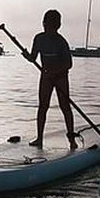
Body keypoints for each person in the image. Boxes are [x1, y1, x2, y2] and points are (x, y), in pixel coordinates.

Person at [23, 9, 77, 149]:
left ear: (58, 26)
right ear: (43, 24)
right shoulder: (39, 38)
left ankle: (72, 140)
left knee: (65, 107)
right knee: (43, 107)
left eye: (52, 26)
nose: (48, 28)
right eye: (46, 25)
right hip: (46, 77)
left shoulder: (61, 42)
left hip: (60, 77)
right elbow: (33, 58)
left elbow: (68, 64)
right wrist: (26, 55)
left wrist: (54, 73)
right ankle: (39, 139)